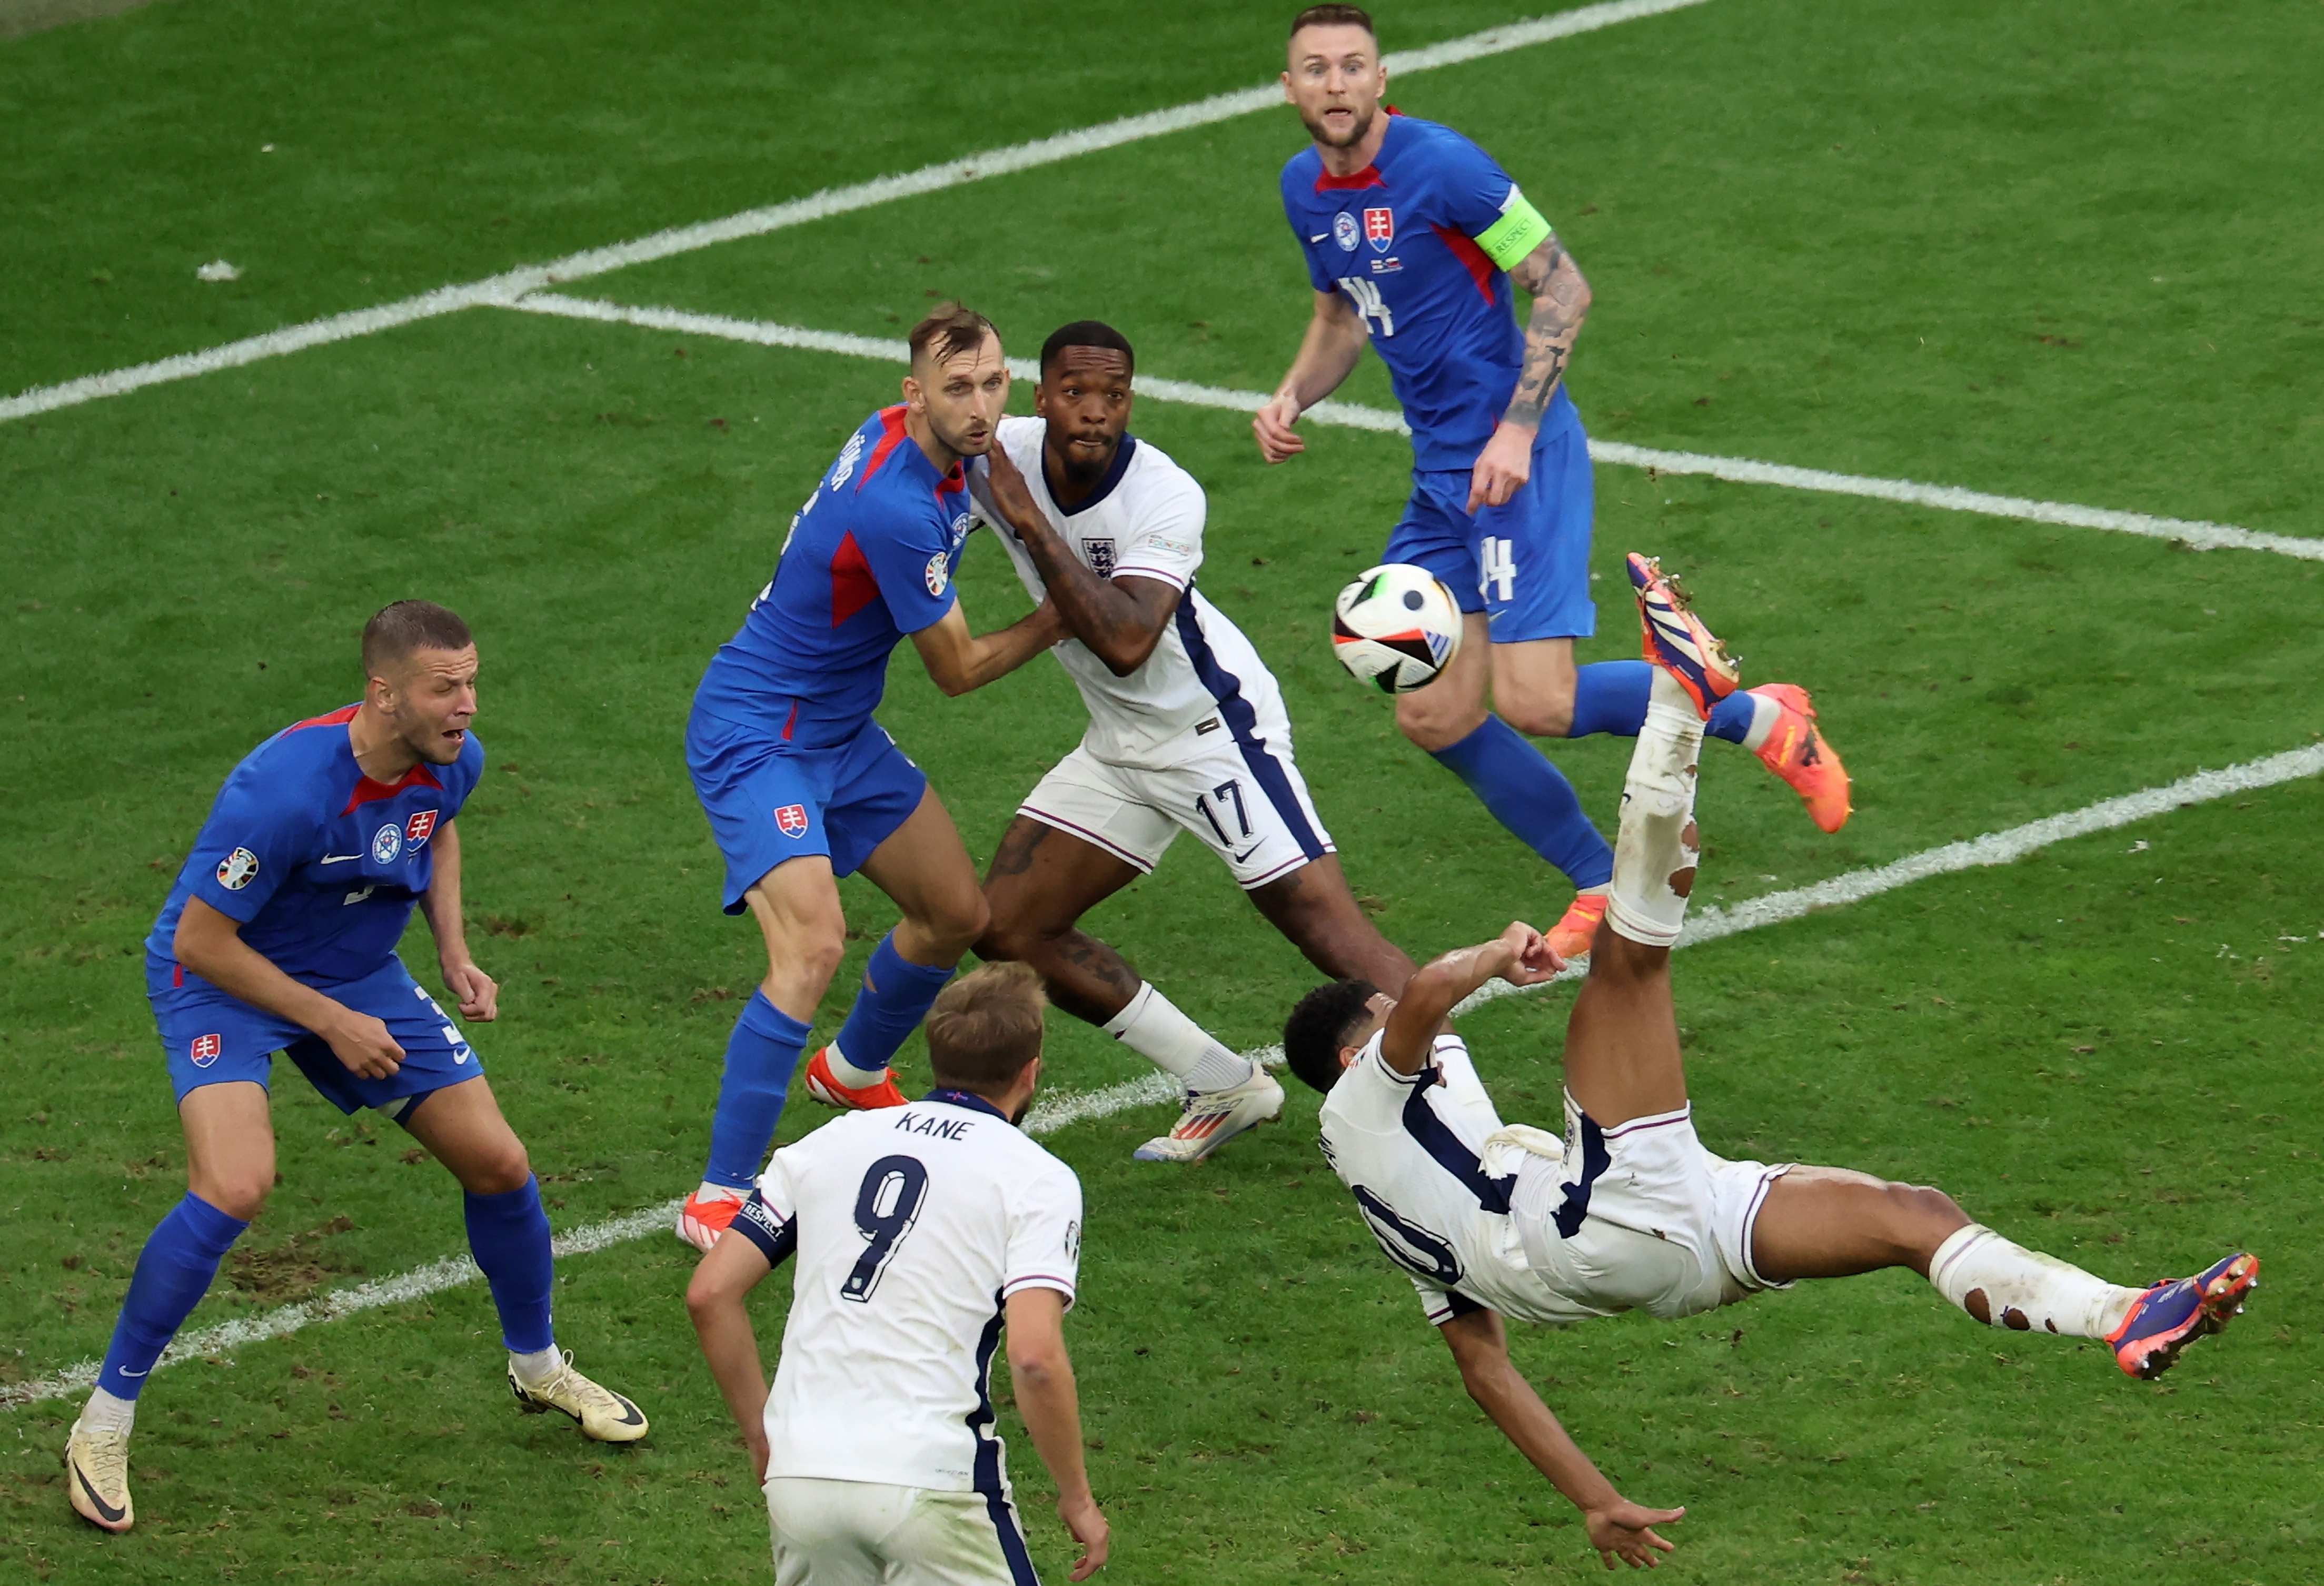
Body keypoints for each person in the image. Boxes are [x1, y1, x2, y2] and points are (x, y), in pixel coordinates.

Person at [1280, 559, 2258, 1569]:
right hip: (1591, 1222)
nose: (1413, 1019)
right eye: (1386, 1016)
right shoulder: (1363, 1098)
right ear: (1355, 1050)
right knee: (1629, 954)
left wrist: (1593, 1499)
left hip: (1655, 1256)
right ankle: (1677, 694)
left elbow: (1484, 1371)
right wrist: (1488, 955)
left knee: (1907, 1216)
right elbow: (1429, 995)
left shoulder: (1393, 1205)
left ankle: (2126, 1315)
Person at [1255, 4, 1850, 960]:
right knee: (1431, 709)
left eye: (1351, 67)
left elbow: (1564, 285)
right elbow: (1340, 315)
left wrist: (1518, 431)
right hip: (1441, 472)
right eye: (1314, 69)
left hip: (1515, 460)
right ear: (1288, 87)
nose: (1334, 85)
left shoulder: (1445, 166)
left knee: (1538, 701)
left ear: (1379, 77)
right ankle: (1596, 877)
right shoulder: (1301, 190)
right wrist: (1291, 395)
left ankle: (1765, 720)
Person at [64, 601, 647, 1537]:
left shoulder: (454, 758)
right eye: (444, 687)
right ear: (385, 693)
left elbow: (437, 828)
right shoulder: (285, 791)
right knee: (235, 1185)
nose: (466, 703)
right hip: (221, 979)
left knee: (499, 1163)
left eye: (472, 680)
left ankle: (538, 1369)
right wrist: (332, 1021)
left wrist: (452, 950)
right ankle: (103, 1422)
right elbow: (202, 940)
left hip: (350, 968)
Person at [967, 320, 1416, 1163]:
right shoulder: (1000, 451)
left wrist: (1027, 520)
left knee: (1326, 931)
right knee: (1006, 926)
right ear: (1040, 398)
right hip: (1119, 740)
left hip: (1213, 731)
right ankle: (1220, 1080)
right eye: (1075, 394)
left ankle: (1467, 1110)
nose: (1095, 413)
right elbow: (905, 442)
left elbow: (1129, 639)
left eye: (1114, 396)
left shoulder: (1164, 494)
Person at [680, 305, 1068, 1248]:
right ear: (913, 396)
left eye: (992, 383)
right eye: (957, 390)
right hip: (757, 734)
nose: (980, 409)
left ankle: (850, 1072)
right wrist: (1072, 607)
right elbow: (959, 668)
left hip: (836, 729)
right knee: (811, 947)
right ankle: (718, 1194)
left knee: (954, 915)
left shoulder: (898, 433)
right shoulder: (897, 507)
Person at [687, 963, 1108, 1585]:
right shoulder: (1036, 1178)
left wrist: (762, 1434)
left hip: (803, 1480)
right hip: (931, 1480)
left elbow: (710, 1292)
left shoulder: (826, 1144)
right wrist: (1075, 1494)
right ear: (1031, 1069)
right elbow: (1035, 1357)